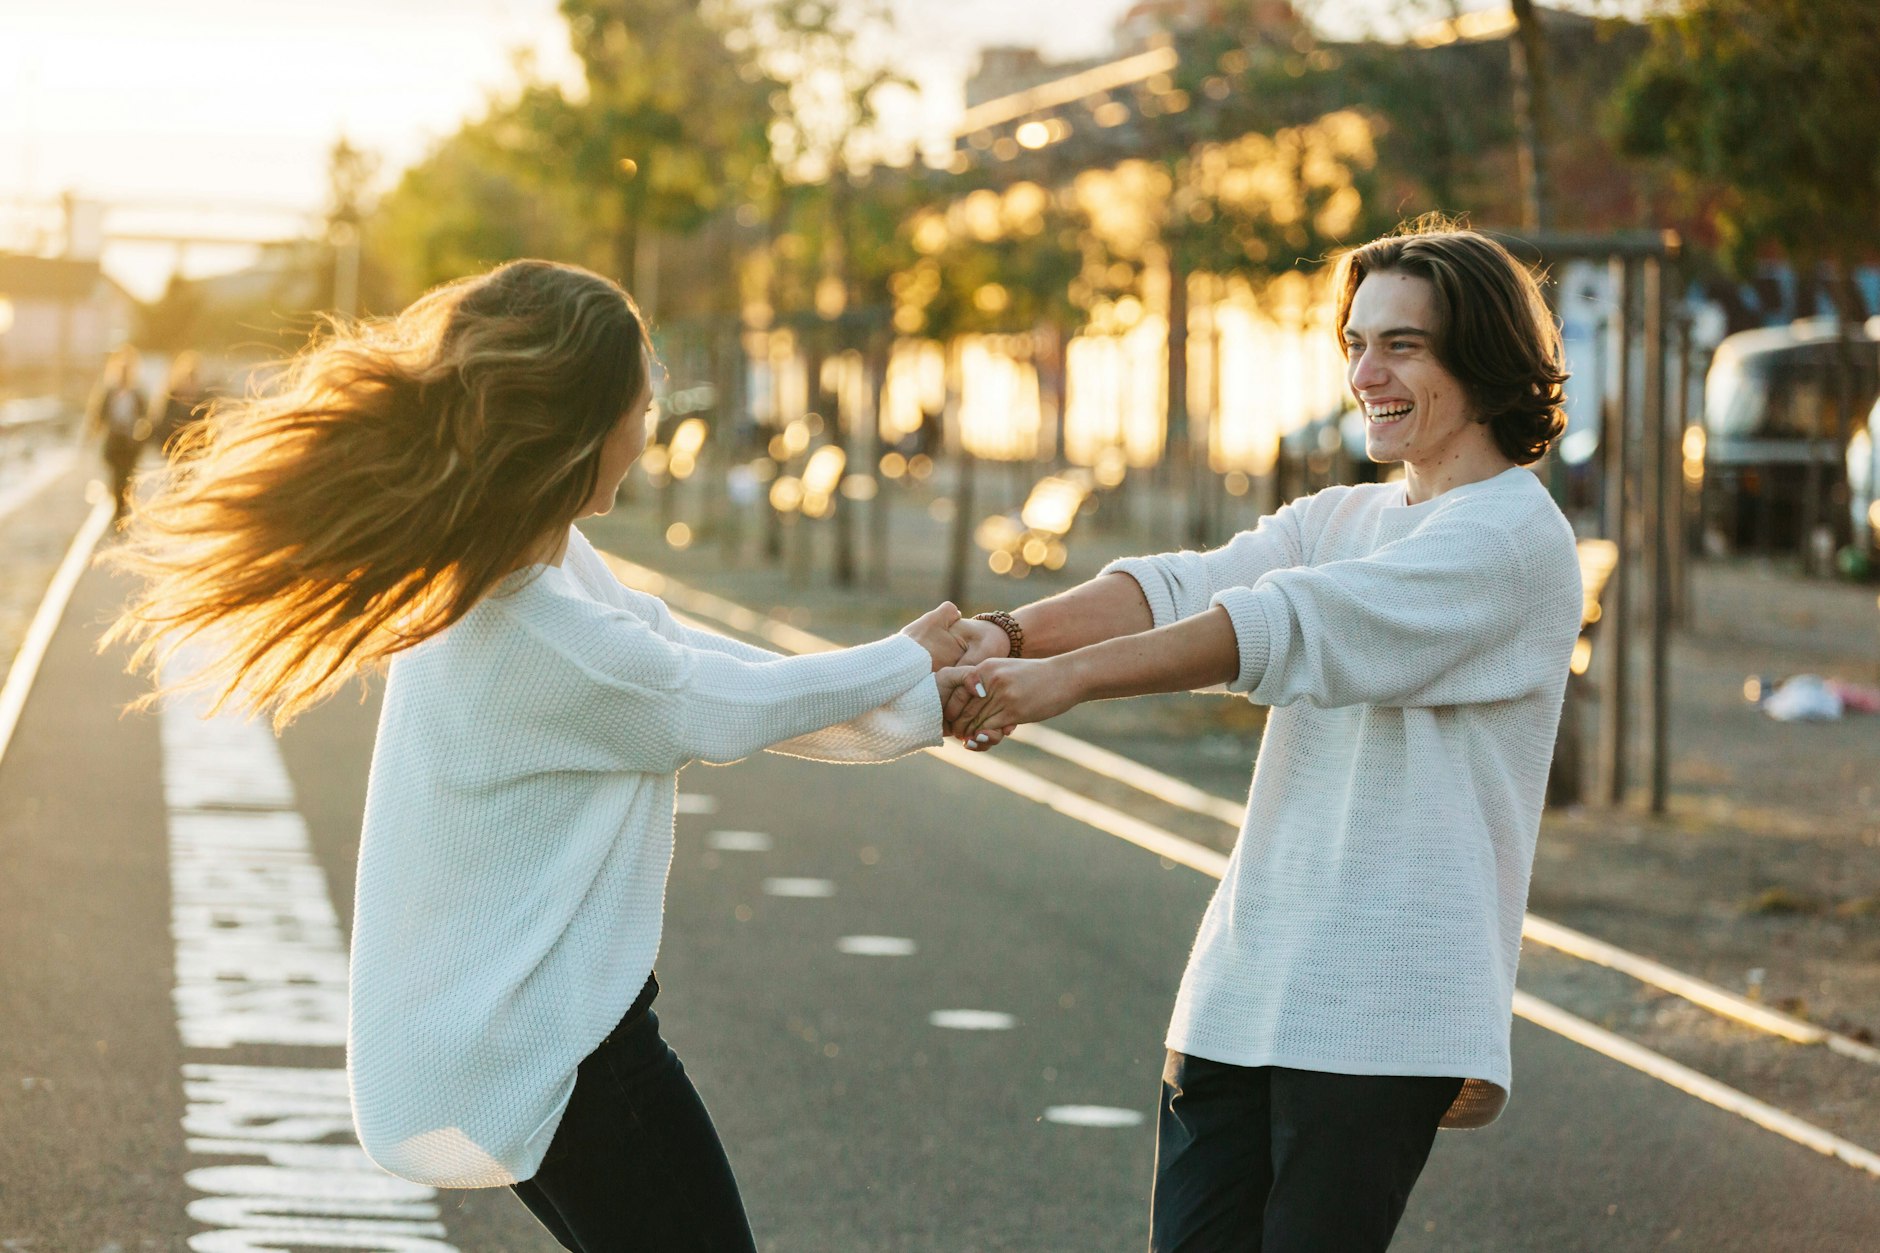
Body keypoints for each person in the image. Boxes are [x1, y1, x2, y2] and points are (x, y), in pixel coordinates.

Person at [103, 259, 1005, 1252]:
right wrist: (908, 658)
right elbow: (707, 703)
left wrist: (940, 698)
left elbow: (732, 678)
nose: (655, 415)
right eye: (644, 397)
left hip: (556, 1035)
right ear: (587, 424)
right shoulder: (538, 630)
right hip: (558, 1052)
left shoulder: (550, 573)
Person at [940, 222, 1584, 1252]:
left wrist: (1056, 681)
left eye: (1402, 345)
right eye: (1354, 341)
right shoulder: (1345, 515)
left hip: (1378, 1002)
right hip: (1244, 984)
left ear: (1486, 358)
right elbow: (1182, 585)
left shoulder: (1508, 538)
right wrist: (1008, 631)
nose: (1363, 372)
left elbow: (1283, 625)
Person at [84, 344, 150, 518]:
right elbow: (99, 415)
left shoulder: (138, 394)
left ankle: (123, 507)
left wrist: (141, 434)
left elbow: (147, 418)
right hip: (114, 442)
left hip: (130, 444)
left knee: (126, 476)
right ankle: (117, 509)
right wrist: (92, 434)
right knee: (116, 477)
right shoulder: (109, 392)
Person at [147, 349, 209, 456]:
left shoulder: (203, 405)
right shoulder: (168, 401)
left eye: (193, 378)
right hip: (169, 457)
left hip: (195, 459)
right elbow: (158, 430)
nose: (190, 383)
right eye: (187, 378)